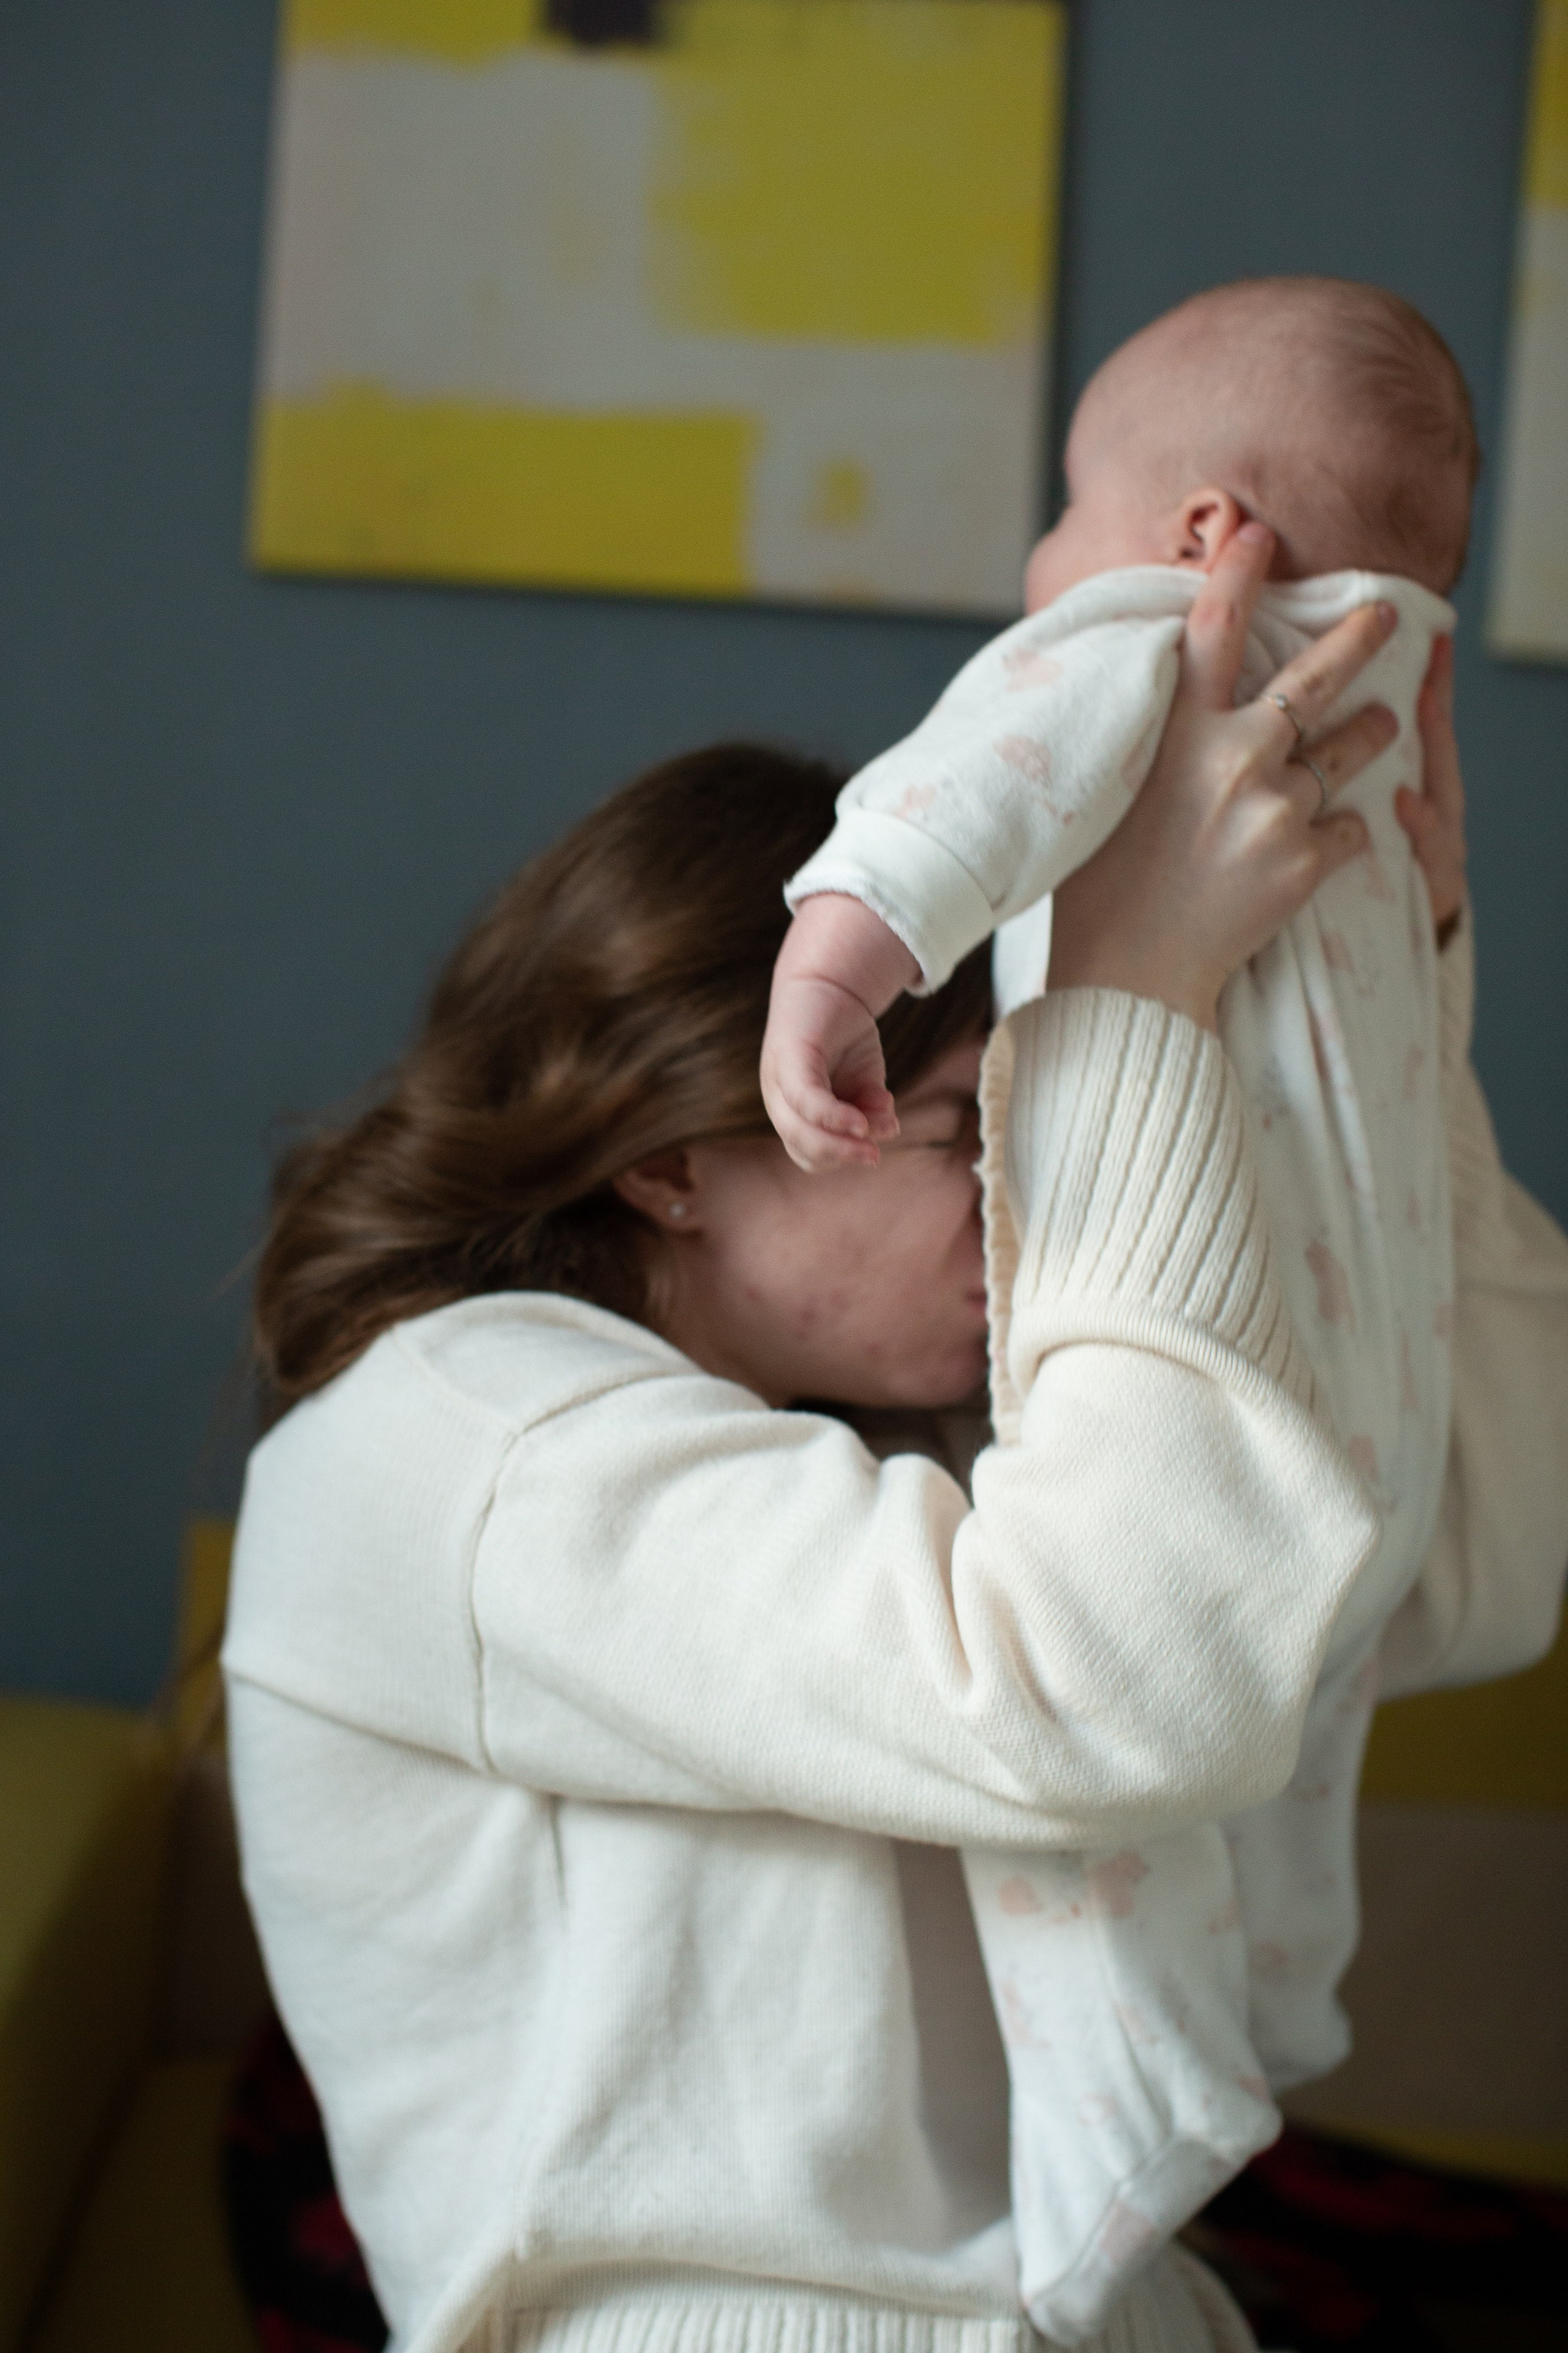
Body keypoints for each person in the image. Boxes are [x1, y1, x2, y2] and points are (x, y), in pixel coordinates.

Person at [223, 531, 1567, 2353]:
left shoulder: (901, 1435)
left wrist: (1407, 1015)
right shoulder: (441, 1448)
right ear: (672, 1151)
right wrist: (1128, 999)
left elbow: (1466, 1566)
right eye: (962, 1130)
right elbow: (1088, 1693)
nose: (1025, 1200)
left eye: (1027, 1127)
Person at [758, 278, 1567, 2338]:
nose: (1051, 559)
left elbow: (972, 778)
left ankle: (1131, 2108)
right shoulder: (1382, 722)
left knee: (1128, 1821)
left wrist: (839, 956)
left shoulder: (1155, 648)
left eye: (1067, 502)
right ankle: (1268, 2013)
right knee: (1284, 1763)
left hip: (1211, 1358)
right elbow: (1409, 1043)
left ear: (1208, 533)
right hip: (1373, 1402)